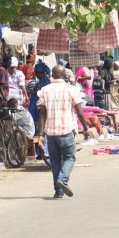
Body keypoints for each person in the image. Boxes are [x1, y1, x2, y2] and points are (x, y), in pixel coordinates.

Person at [38, 65, 91, 198]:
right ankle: (63, 179)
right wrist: (86, 129)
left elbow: (42, 113)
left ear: (52, 76)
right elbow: (79, 111)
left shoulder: (44, 90)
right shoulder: (71, 89)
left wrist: (41, 133)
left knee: (55, 161)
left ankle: (59, 192)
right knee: (69, 157)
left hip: (51, 132)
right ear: (65, 76)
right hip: (66, 130)